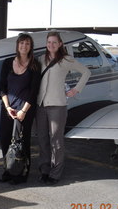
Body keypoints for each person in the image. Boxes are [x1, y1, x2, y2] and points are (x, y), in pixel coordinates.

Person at [36, 31, 91, 185]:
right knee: (42, 139)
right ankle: (44, 170)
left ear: (60, 44)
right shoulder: (41, 59)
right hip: (41, 105)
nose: (51, 45)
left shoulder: (66, 60)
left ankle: (55, 172)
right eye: (49, 42)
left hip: (57, 105)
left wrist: (76, 89)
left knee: (56, 141)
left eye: (54, 42)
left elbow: (86, 72)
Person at [0, 33, 41, 184]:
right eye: (22, 43)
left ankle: (22, 174)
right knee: (4, 139)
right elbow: (2, 87)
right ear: (17, 45)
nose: (24, 46)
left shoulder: (35, 65)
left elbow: (34, 91)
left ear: (31, 47)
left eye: (27, 44)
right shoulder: (7, 63)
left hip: (25, 109)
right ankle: (8, 170)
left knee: (22, 141)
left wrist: (23, 110)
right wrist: (7, 106)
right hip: (8, 108)